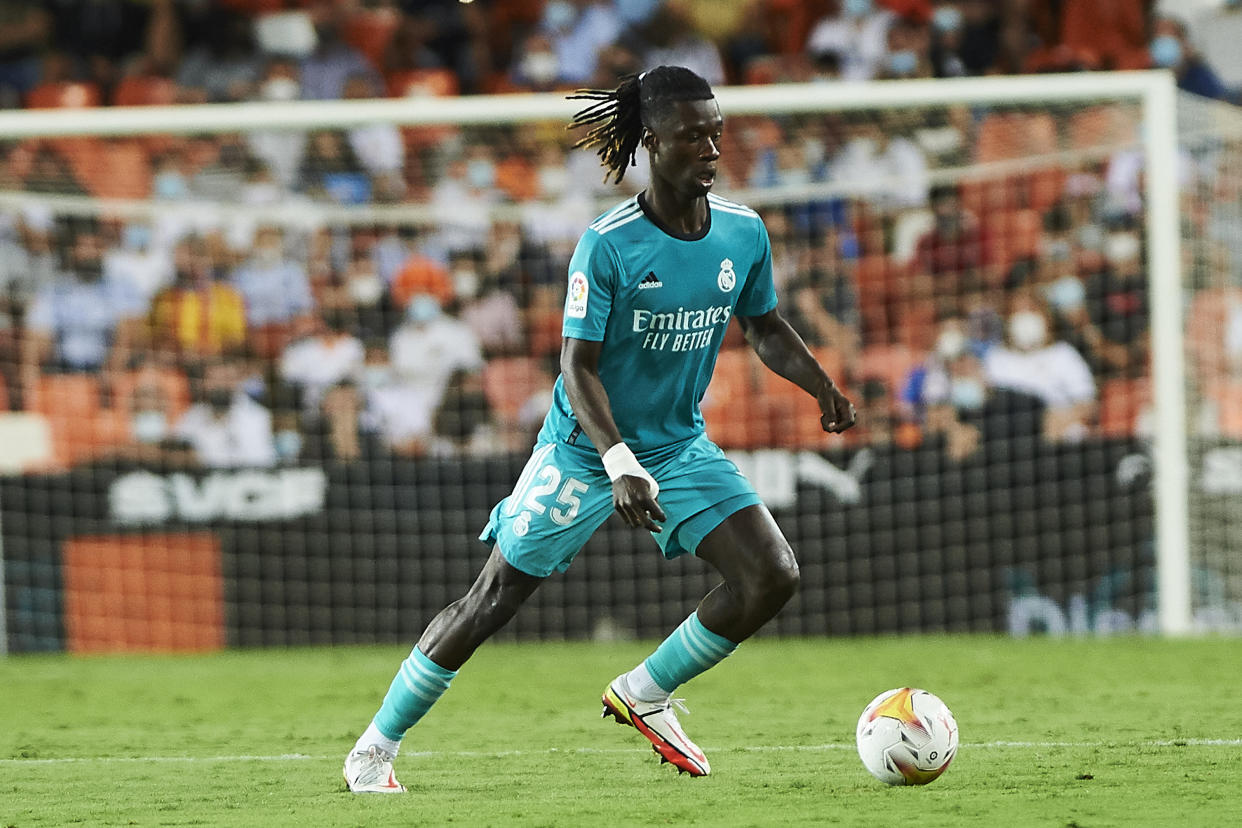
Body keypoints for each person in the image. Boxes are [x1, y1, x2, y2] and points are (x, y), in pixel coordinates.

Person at [343, 65, 855, 793]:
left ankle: (646, 692)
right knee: (493, 600)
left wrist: (821, 386)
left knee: (771, 575)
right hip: (584, 450)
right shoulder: (609, 244)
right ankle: (374, 746)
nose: (711, 149)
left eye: (717, 133)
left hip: (677, 446)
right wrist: (616, 461)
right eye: (692, 136)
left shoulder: (742, 232)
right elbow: (577, 369)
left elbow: (764, 324)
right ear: (652, 142)